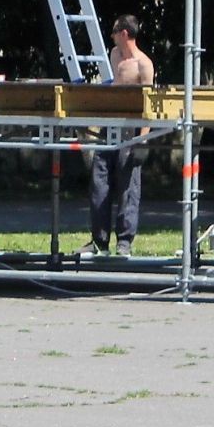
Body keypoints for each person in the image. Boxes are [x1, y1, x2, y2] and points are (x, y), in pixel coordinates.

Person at [84, 14, 155, 257]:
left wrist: (143, 139)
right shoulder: (115, 55)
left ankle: (124, 241)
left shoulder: (144, 65)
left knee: (128, 187)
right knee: (99, 182)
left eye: (115, 31)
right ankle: (99, 241)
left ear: (124, 33)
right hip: (109, 126)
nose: (112, 35)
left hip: (131, 128)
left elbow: (148, 106)